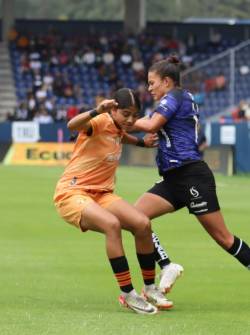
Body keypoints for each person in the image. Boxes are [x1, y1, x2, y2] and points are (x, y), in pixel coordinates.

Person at [132, 56, 250, 286]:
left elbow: (151, 125)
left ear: (166, 81)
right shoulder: (174, 99)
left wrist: (120, 118)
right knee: (136, 218)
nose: (149, 88)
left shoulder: (176, 96)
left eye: (152, 82)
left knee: (223, 238)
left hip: (191, 175)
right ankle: (167, 266)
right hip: (173, 179)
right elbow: (151, 124)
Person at [53, 88, 173, 315]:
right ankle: (128, 294)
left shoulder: (118, 128)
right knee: (112, 225)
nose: (130, 120)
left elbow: (119, 136)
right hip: (73, 193)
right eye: (126, 114)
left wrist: (141, 143)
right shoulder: (99, 121)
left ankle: (149, 288)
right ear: (113, 109)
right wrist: (96, 110)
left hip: (102, 194)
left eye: (134, 115)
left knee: (143, 224)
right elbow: (72, 126)